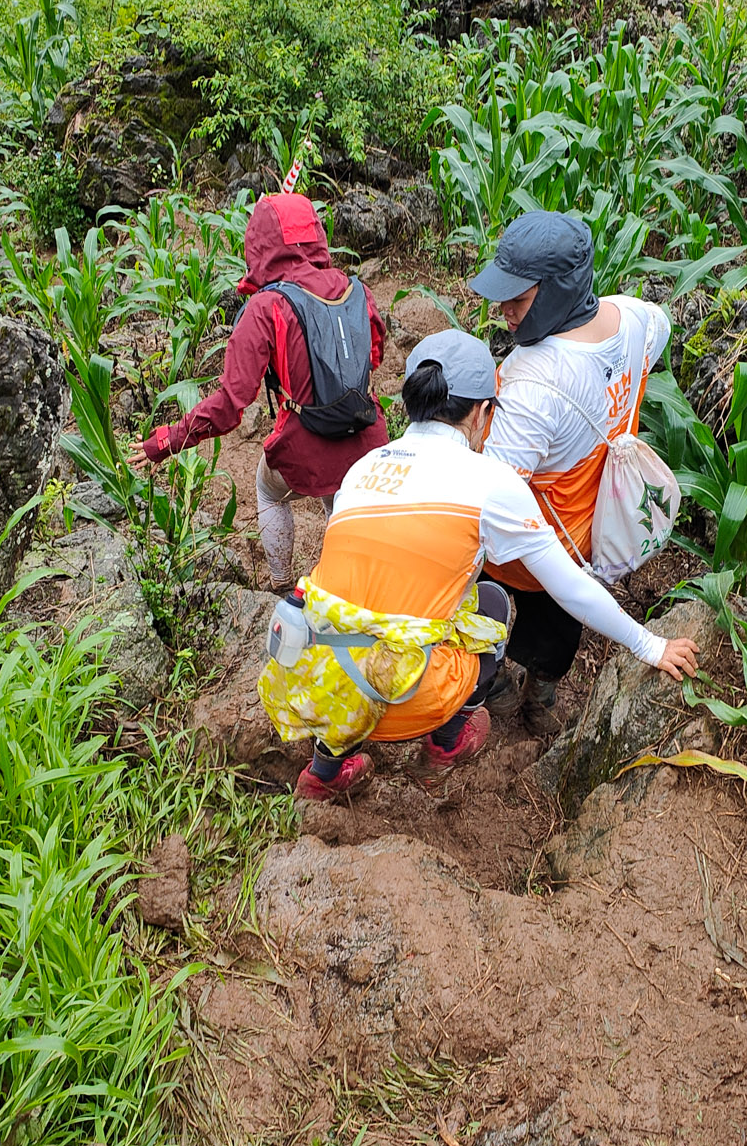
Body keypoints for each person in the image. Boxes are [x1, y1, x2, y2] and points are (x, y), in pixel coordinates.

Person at [259, 330, 701, 801]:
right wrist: (649, 644)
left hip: (306, 681)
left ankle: (324, 772)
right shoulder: (490, 481)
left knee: (361, 614)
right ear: (481, 413)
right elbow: (570, 586)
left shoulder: (362, 469)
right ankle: (444, 745)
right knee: (489, 602)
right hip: (397, 699)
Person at [468, 210, 673, 732]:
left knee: (481, 610)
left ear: (560, 289)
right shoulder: (634, 318)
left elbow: (486, 504)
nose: (504, 311)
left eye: (519, 297)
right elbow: (662, 331)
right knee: (558, 629)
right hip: (585, 538)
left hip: (527, 548)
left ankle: (495, 687)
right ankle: (542, 699)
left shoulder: (532, 386)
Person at [131, 193, 387, 591]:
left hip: (307, 445)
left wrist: (167, 441)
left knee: (269, 489)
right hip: (367, 439)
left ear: (260, 243)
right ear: (317, 237)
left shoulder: (266, 306)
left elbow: (230, 404)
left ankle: (283, 584)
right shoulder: (357, 290)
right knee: (342, 492)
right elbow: (374, 355)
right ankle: (352, 576)